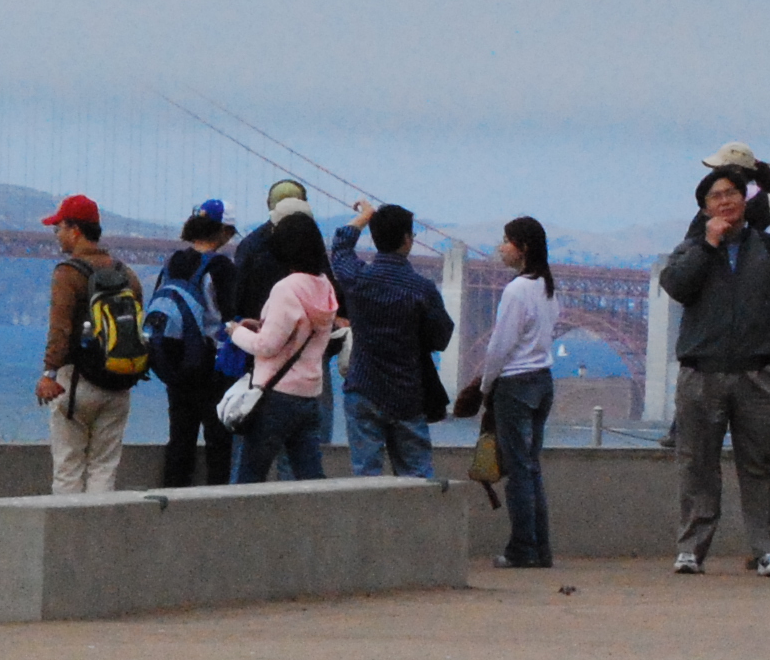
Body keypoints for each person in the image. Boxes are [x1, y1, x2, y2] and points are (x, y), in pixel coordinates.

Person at [657, 162, 770, 576]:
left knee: (763, 465)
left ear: (744, 200)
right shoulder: (689, 249)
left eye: (731, 194)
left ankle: (769, 548)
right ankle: (691, 548)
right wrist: (708, 245)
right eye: (716, 196)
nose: (725, 202)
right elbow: (677, 287)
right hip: (702, 371)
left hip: (760, 372)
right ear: (704, 208)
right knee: (696, 463)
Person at [329, 200, 454, 482]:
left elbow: (340, 245)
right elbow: (442, 338)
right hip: (407, 393)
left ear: (375, 238)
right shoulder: (422, 289)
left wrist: (365, 215)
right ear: (408, 239)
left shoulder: (357, 277)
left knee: (366, 480)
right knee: (418, 480)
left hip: (363, 388)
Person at [469, 216, 560, 568]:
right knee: (531, 468)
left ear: (522, 248)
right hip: (542, 382)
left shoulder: (516, 290)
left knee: (518, 471)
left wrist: (485, 386)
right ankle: (540, 549)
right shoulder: (547, 286)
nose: (501, 247)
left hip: (515, 384)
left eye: (506, 241)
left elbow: (499, 346)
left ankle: (522, 549)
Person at [226, 210, 341, 483]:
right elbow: (300, 331)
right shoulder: (325, 286)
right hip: (309, 394)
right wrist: (263, 326)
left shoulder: (286, 289)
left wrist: (236, 332)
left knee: (249, 478)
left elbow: (266, 346)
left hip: (276, 395)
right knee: (309, 477)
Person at [35, 193, 131, 495]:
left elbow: (60, 329)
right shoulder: (125, 272)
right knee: (104, 468)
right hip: (118, 382)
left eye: (59, 227)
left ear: (75, 230)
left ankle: (67, 528)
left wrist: (49, 373)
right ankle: (98, 526)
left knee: (68, 467)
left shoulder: (68, 272)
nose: (56, 234)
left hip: (76, 382)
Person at [148, 209, 241, 488]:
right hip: (211, 364)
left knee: (180, 436)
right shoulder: (221, 267)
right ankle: (216, 501)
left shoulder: (173, 261)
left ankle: (173, 495)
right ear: (223, 231)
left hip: (175, 361)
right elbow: (230, 317)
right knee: (218, 439)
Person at [226, 180, 311, 325]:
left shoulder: (249, 244)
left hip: (257, 325)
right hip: (302, 326)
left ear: (268, 204)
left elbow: (238, 293)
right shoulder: (310, 241)